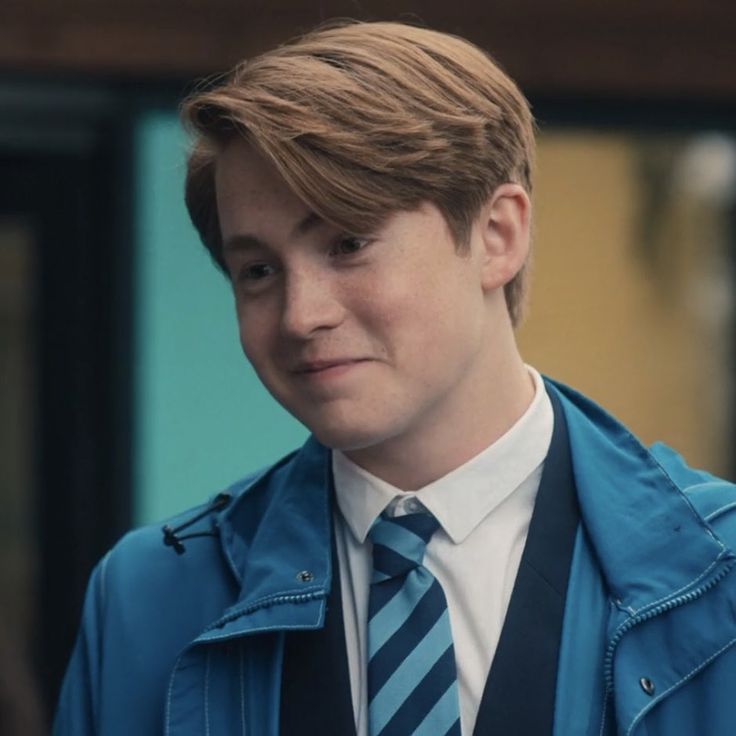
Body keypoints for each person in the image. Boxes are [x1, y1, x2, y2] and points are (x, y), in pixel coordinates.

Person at [54, 20, 736, 736]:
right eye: (258, 270)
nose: (299, 315)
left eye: (348, 243)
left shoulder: (717, 578)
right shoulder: (147, 596)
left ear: (497, 236)